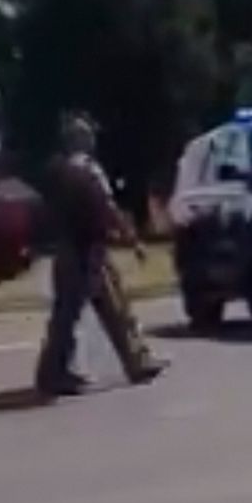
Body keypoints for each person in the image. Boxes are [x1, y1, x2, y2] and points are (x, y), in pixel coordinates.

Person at [35, 112, 168, 397]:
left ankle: (133, 363)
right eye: (88, 134)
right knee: (96, 311)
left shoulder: (56, 171)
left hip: (69, 249)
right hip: (87, 251)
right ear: (81, 140)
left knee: (84, 313)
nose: (93, 139)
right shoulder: (88, 170)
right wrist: (133, 240)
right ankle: (55, 375)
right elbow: (107, 207)